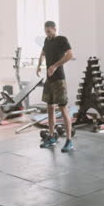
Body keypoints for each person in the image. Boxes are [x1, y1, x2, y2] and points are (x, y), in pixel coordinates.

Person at [36, 21, 74, 152]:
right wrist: (39, 65)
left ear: (54, 29)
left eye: (49, 31)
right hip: (49, 80)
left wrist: (55, 66)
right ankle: (52, 137)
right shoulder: (47, 41)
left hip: (59, 80)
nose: (47, 34)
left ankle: (69, 141)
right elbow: (43, 53)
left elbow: (70, 55)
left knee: (63, 109)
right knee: (50, 108)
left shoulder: (62, 40)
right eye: (45, 31)